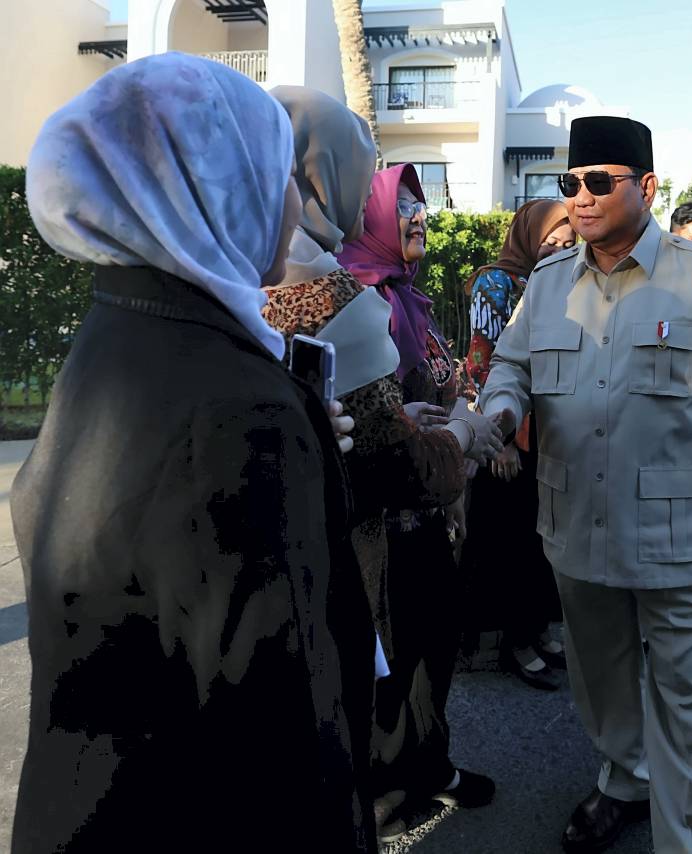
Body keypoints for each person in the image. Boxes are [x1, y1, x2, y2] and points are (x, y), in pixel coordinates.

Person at [14, 55, 377, 851]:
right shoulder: (239, 409)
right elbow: (280, 732)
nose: (292, 202)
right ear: (222, 188)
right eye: (280, 174)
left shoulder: (126, 327)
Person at [478, 115, 692, 854]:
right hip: (575, 524)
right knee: (602, 680)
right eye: (570, 185)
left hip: (681, 538)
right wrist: (500, 407)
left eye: (598, 182)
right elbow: (511, 364)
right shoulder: (548, 283)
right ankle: (625, 781)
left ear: (646, 187)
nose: (580, 198)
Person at [260, 88, 502, 843]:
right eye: (389, 198)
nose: (415, 221)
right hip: (365, 536)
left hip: (276, 543)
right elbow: (393, 463)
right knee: (379, 680)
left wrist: (405, 416)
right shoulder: (331, 290)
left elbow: (349, 415)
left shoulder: (220, 274)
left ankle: (413, 775)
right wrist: (461, 433)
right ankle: (390, 796)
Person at [337, 163, 499, 825]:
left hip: (432, 508)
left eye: (421, 205)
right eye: (402, 206)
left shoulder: (409, 296)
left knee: (435, 648)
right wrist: (435, 426)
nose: (418, 217)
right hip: (385, 525)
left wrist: (441, 418)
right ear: (370, 218)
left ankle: (431, 767)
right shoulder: (358, 300)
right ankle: (382, 788)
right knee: (389, 667)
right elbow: (370, 425)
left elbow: (433, 386)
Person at [461, 199, 576, 692]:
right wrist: (501, 440)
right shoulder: (497, 284)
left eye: (570, 243)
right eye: (552, 239)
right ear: (529, 234)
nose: (559, 248)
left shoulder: (564, 284)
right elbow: (482, 363)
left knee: (540, 541)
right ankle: (513, 644)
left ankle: (535, 630)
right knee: (510, 543)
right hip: (508, 435)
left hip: (549, 436)